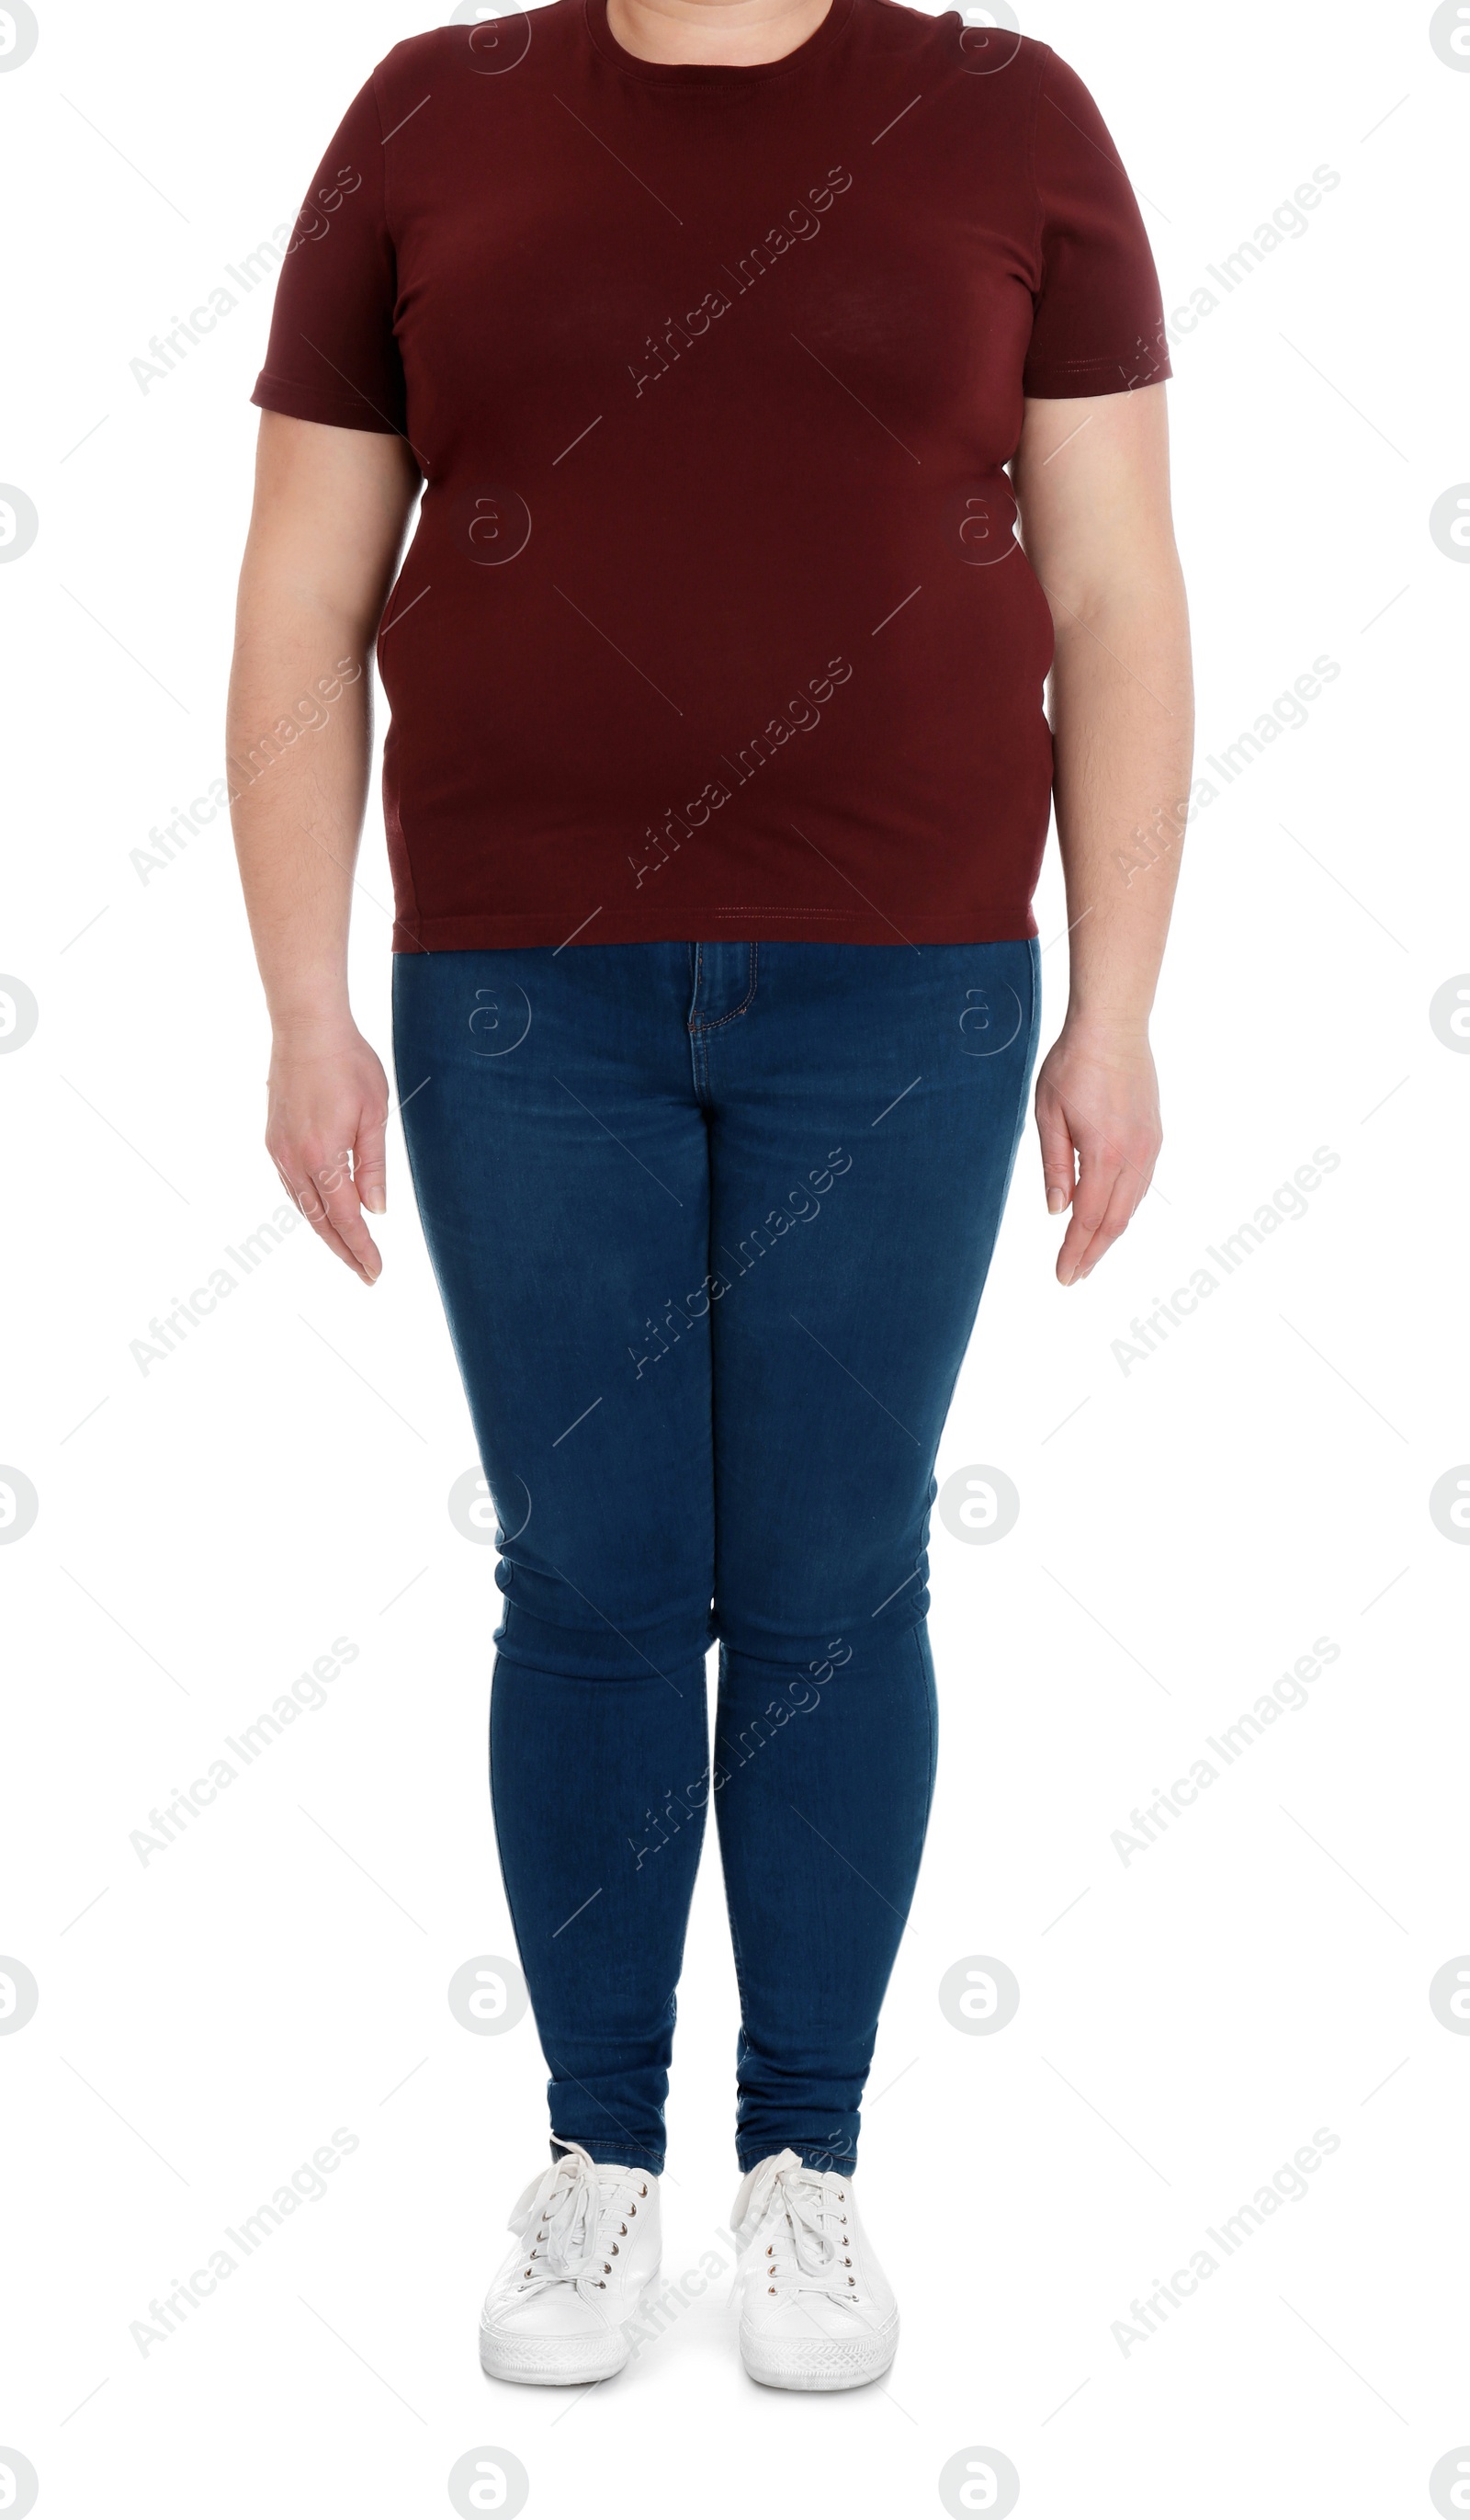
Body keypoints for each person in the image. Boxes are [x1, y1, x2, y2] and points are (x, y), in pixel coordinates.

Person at [228, 0, 1191, 2394]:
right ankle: (593, 2161)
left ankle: (808, 2169)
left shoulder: (1014, 120)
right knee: (591, 1577)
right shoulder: (429, 117)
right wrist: (300, 1000)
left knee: (838, 1577)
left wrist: (1121, 1005)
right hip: (514, 1003)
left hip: (912, 996)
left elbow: (1116, 599)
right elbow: (300, 599)